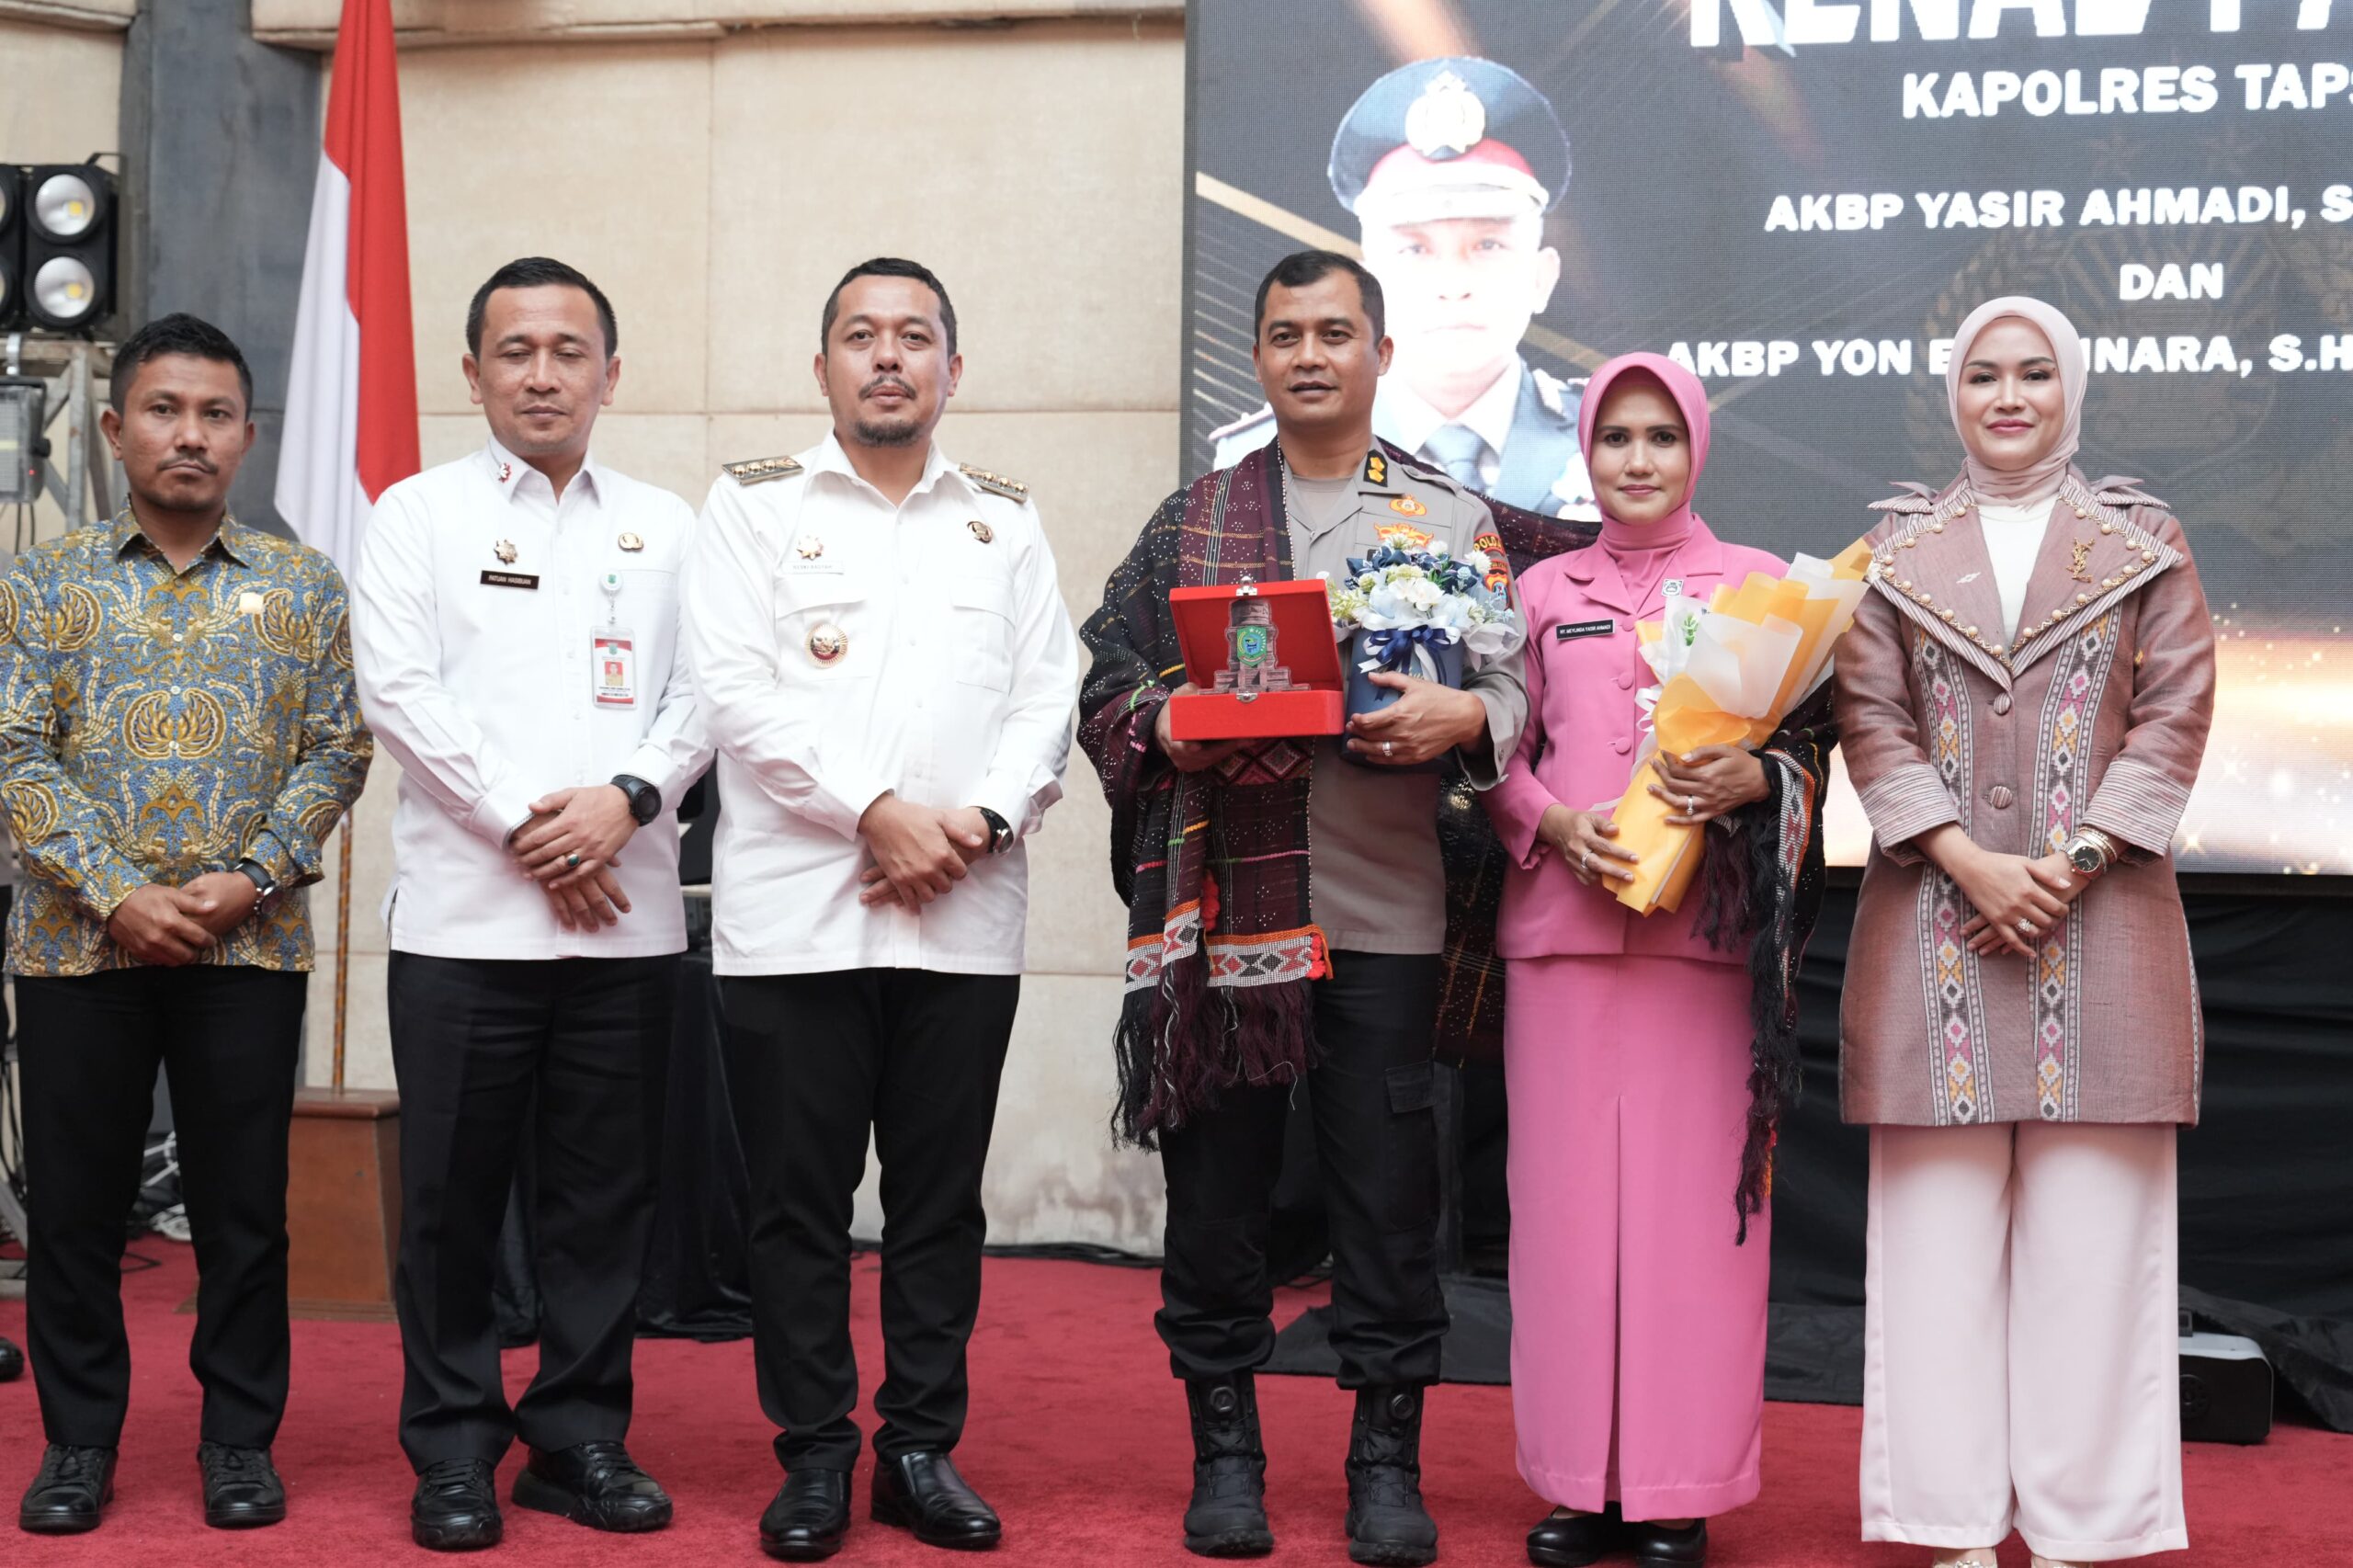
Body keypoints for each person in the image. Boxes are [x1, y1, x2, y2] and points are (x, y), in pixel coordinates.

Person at [1080, 248, 1530, 1567]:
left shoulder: (1447, 516)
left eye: (1336, 332)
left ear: (1380, 354)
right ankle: (1226, 1456)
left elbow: (1514, 690)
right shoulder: (1195, 518)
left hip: (1388, 917)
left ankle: (1385, 1464)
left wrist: (1468, 717)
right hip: (1225, 923)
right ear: (1259, 358)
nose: (1311, 355)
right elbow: (1105, 677)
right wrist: (1172, 724)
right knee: (1216, 1195)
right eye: (1286, 335)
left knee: (1389, 1202)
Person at [681, 256, 1079, 1562]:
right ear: (824, 367)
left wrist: (976, 821)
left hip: (962, 916)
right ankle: (813, 1453)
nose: (889, 356)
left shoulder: (1003, 521)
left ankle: (918, 1448)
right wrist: (877, 812)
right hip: (798, 923)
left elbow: (1049, 694)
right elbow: (735, 695)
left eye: (915, 336)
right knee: (796, 1205)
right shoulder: (752, 507)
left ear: (953, 369)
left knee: (938, 1204)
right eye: (862, 335)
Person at [1836, 297, 2214, 1568]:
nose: (2008, 395)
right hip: (1932, 932)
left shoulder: (2144, 540)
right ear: (1951, 393)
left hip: (2105, 929)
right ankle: (1947, 1526)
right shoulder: (1893, 547)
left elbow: (2175, 716)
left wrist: (2071, 862)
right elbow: (1870, 721)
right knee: (1932, 1257)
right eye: (1984, 374)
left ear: (2073, 387)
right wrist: (1965, 861)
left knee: (2096, 1259)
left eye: (2034, 373)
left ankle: (2080, 1533)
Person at [351, 257, 709, 1551]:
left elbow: (708, 691)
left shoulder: (670, 525)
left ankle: (577, 1438)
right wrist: (532, 827)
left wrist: (628, 797)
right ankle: (453, 1445)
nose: (543, 374)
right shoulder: (415, 515)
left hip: (629, 920)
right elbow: (400, 695)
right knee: (450, 1200)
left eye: (569, 351)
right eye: (515, 351)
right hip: (463, 925)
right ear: (472, 373)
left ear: (612, 374)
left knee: (604, 1201)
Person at [1, 313, 371, 1534]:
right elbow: (13, 750)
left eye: (215, 414)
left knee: (243, 1211)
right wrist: (114, 889)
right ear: (115, 429)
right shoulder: (38, 581)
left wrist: (254, 876)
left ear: (248, 436)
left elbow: (338, 749)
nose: (190, 435)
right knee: (75, 1211)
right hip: (76, 944)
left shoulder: (301, 586)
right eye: (164, 410)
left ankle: (237, 1442)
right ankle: (78, 1444)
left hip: (245, 944)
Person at [1482, 355, 1835, 1568]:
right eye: (1616, 437)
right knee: (1566, 1222)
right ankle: (1580, 1482)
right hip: (1562, 944)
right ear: (1585, 451)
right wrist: (1547, 819)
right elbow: (1491, 753)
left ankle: (1678, 1485)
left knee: (1697, 1224)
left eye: (1661, 437)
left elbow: (1813, 753)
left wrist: (1757, 776)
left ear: (1697, 448)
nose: (1637, 459)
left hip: (1704, 948)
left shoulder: (1764, 589)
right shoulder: (1537, 590)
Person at [1211, 56, 1595, 521]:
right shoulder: (1263, 460)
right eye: (1414, 250)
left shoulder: (1614, 440)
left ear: (1541, 277)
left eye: (1488, 244)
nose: (1453, 286)